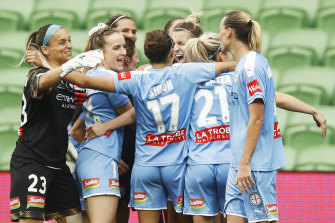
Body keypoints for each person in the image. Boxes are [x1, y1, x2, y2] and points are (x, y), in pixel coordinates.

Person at [51, 29, 236, 223]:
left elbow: (85, 80)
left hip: (145, 166)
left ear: (146, 55)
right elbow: (224, 67)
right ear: (172, 53)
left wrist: (48, 67)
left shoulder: (135, 78)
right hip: (176, 165)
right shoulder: (186, 72)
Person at [183, 32, 327, 223]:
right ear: (220, 57)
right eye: (226, 53)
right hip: (232, 162)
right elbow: (274, 98)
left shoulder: (188, 82)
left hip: (199, 164)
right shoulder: (237, 78)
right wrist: (312, 110)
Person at [218, 11, 314, 223]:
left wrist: (245, 164)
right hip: (239, 164)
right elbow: (273, 99)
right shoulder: (244, 64)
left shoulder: (252, 66)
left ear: (228, 32)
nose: (219, 36)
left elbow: (258, 118)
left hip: (254, 165)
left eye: (219, 30)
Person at [9, 24, 103, 223]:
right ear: (45, 49)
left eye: (69, 40)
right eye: (62, 42)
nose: (69, 45)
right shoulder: (36, 75)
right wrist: (67, 65)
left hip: (59, 165)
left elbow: (85, 82)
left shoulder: (69, 81)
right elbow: (41, 84)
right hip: (32, 163)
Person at [73, 27, 133, 223]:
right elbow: (134, 114)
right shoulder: (108, 78)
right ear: (100, 53)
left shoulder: (92, 76)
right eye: (116, 47)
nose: (123, 52)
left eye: (124, 46)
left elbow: (76, 130)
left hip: (86, 158)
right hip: (101, 161)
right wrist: (106, 128)